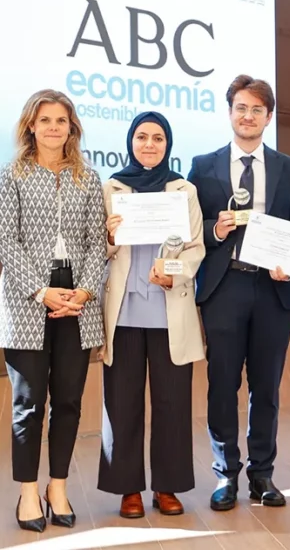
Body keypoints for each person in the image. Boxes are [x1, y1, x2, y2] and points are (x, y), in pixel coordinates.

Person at [187, 74, 290, 511]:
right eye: (241, 107)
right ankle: (226, 476)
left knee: (266, 388)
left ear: (268, 117)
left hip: (272, 290)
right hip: (224, 287)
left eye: (258, 109)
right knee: (222, 386)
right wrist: (214, 229)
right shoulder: (203, 165)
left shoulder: (288, 167)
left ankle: (262, 475)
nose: (249, 115)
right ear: (229, 112)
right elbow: (189, 227)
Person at [0, 89, 106, 531]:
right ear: (30, 126)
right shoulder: (12, 176)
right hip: (29, 301)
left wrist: (83, 292)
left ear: (72, 128)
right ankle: (27, 490)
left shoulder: (89, 178)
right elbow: (8, 242)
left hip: (77, 303)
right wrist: (41, 291)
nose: (53, 128)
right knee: (28, 403)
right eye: (44, 120)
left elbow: (97, 242)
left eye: (61, 120)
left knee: (68, 401)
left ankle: (57, 486)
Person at [98, 111, 206, 518]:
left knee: (173, 404)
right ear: (130, 141)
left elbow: (194, 250)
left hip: (168, 311)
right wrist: (109, 235)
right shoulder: (112, 188)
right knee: (121, 405)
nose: (148, 144)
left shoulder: (184, 190)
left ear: (167, 144)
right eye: (141, 136)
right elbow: (99, 249)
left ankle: (167, 487)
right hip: (124, 313)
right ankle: (128, 488)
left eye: (157, 138)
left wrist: (171, 271)